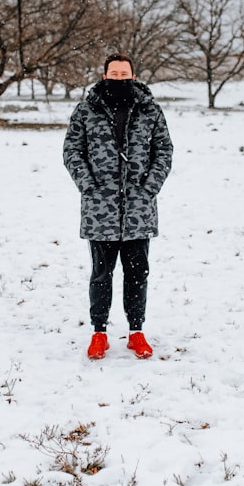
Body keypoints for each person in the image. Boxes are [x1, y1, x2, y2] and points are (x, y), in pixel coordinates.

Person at [63, 53, 174, 360]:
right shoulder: (86, 110)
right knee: (101, 274)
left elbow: (163, 149)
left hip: (139, 210)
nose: (119, 78)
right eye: (114, 74)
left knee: (138, 273)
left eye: (124, 73)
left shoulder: (150, 110)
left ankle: (136, 332)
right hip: (100, 211)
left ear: (134, 76)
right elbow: (73, 149)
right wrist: (88, 185)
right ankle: (99, 333)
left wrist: (150, 186)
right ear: (104, 76)